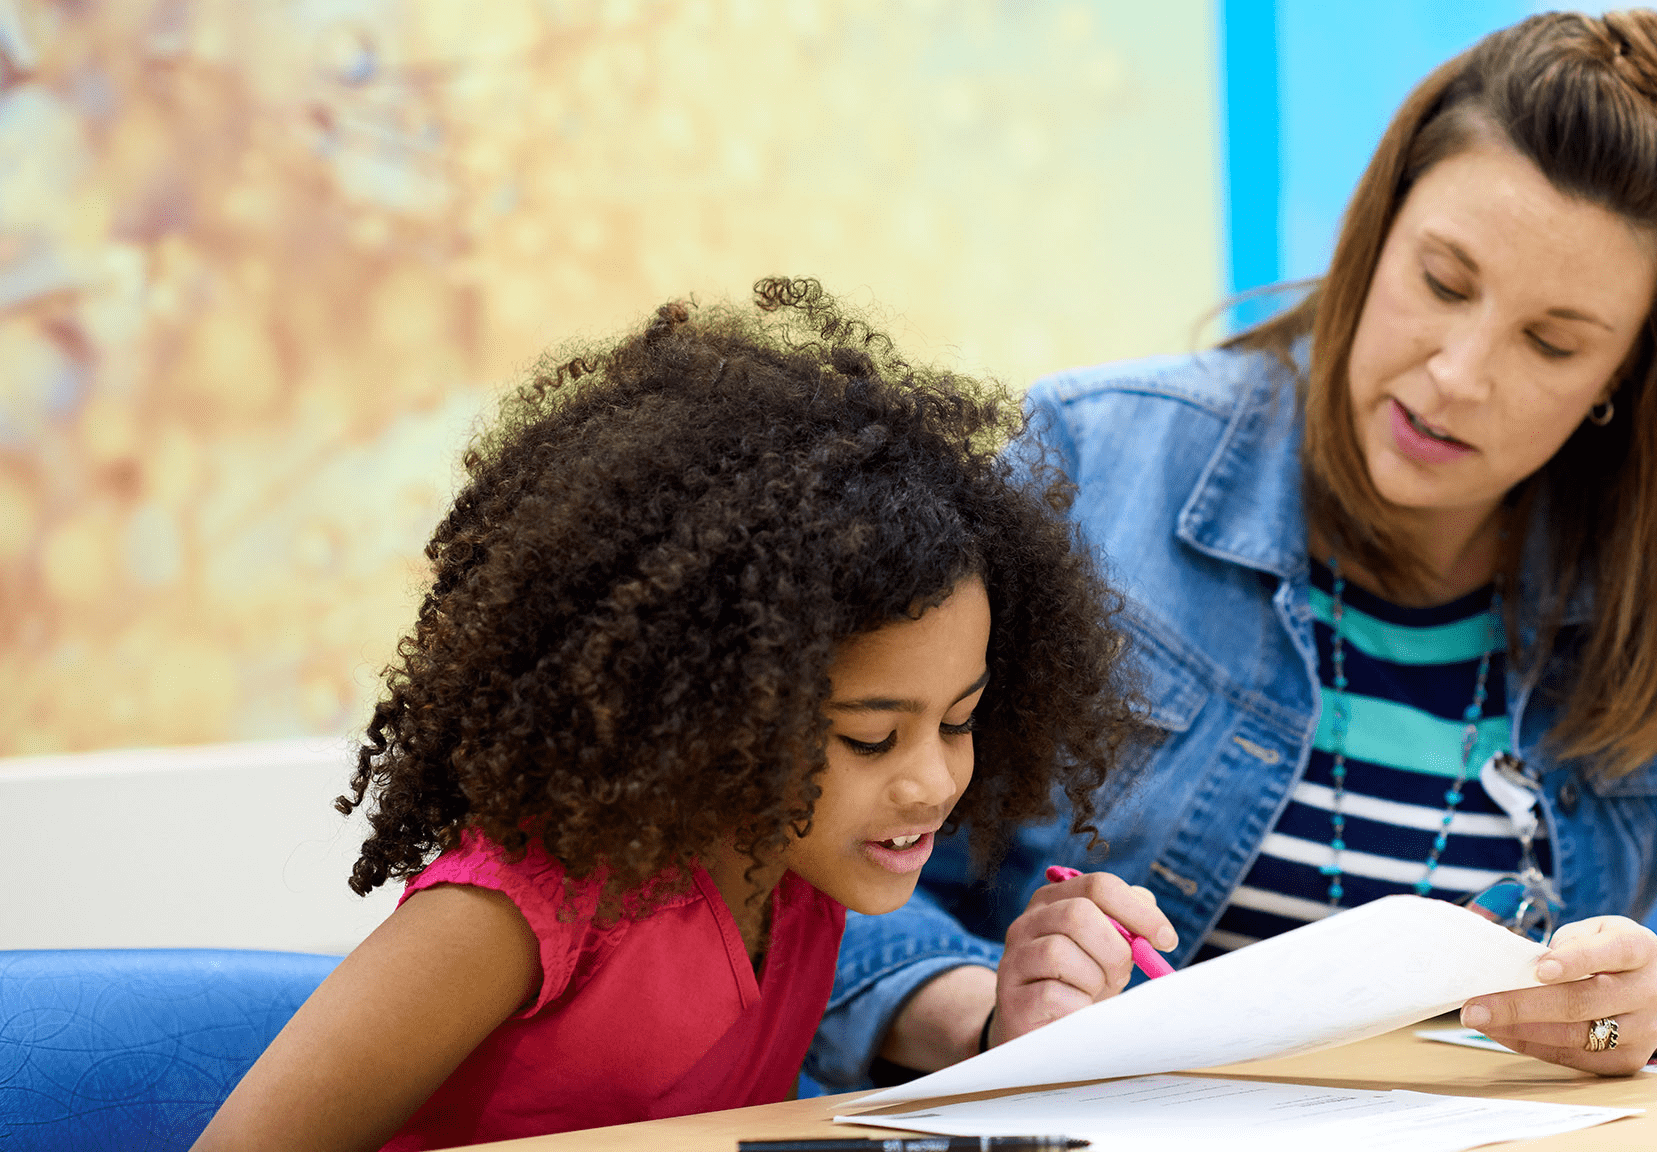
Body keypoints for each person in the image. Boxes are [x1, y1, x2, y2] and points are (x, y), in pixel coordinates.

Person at [809, 9, 1657, 1089]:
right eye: (1441, 281)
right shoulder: (1091, 458)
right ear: (1374, 234)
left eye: (1551, 343)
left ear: (1622, 382)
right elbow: (780, 854)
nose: (1456, 377)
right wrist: (982, 1019)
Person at [193, 279, 1142, 1151]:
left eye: (961, 721)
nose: (932, 781)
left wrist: (1003, 1024)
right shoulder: (515, 915)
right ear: (724, 706)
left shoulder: (798, 881)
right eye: (870, 736)